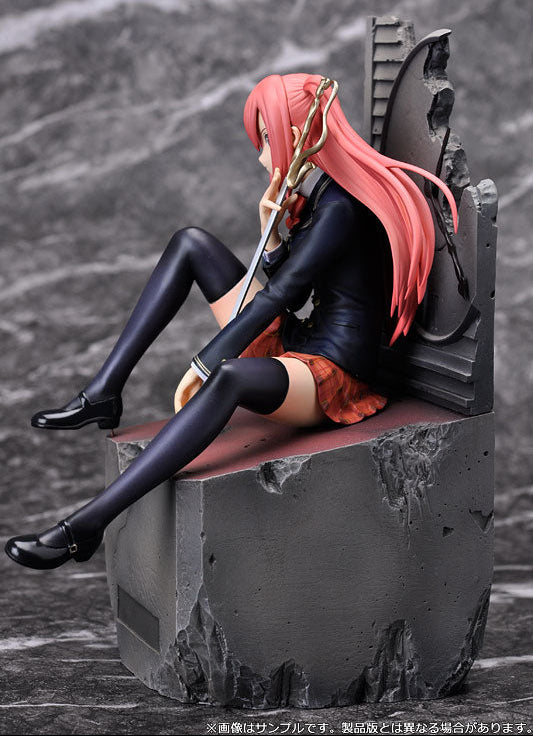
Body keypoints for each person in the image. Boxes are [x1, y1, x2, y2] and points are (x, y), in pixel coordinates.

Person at [5, 73, 457, 571]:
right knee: (192, 244)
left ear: (299, 134)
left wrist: (205, 362)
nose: (262, 156)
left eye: (267, 139)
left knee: (228, 376)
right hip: (302, 339)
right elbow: (294, 284)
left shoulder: (340, 207)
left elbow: (284, 294)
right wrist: (273, 229)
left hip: (332, 376)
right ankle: (103, 392)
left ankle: (86, 526)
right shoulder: (325, 192)